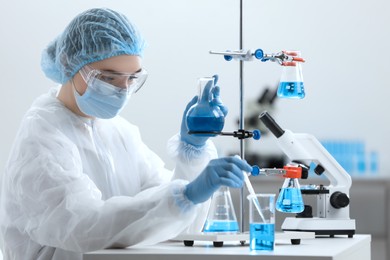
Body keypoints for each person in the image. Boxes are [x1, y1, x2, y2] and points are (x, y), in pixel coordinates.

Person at [0, 7, 252, 260]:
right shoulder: (43, 134)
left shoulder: (118, 130)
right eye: (109, 78)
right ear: (68, 63)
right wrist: (186, 195)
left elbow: (170, 225)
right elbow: (82, 226)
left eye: (131, 78)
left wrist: (191, 153)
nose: (122, 90)